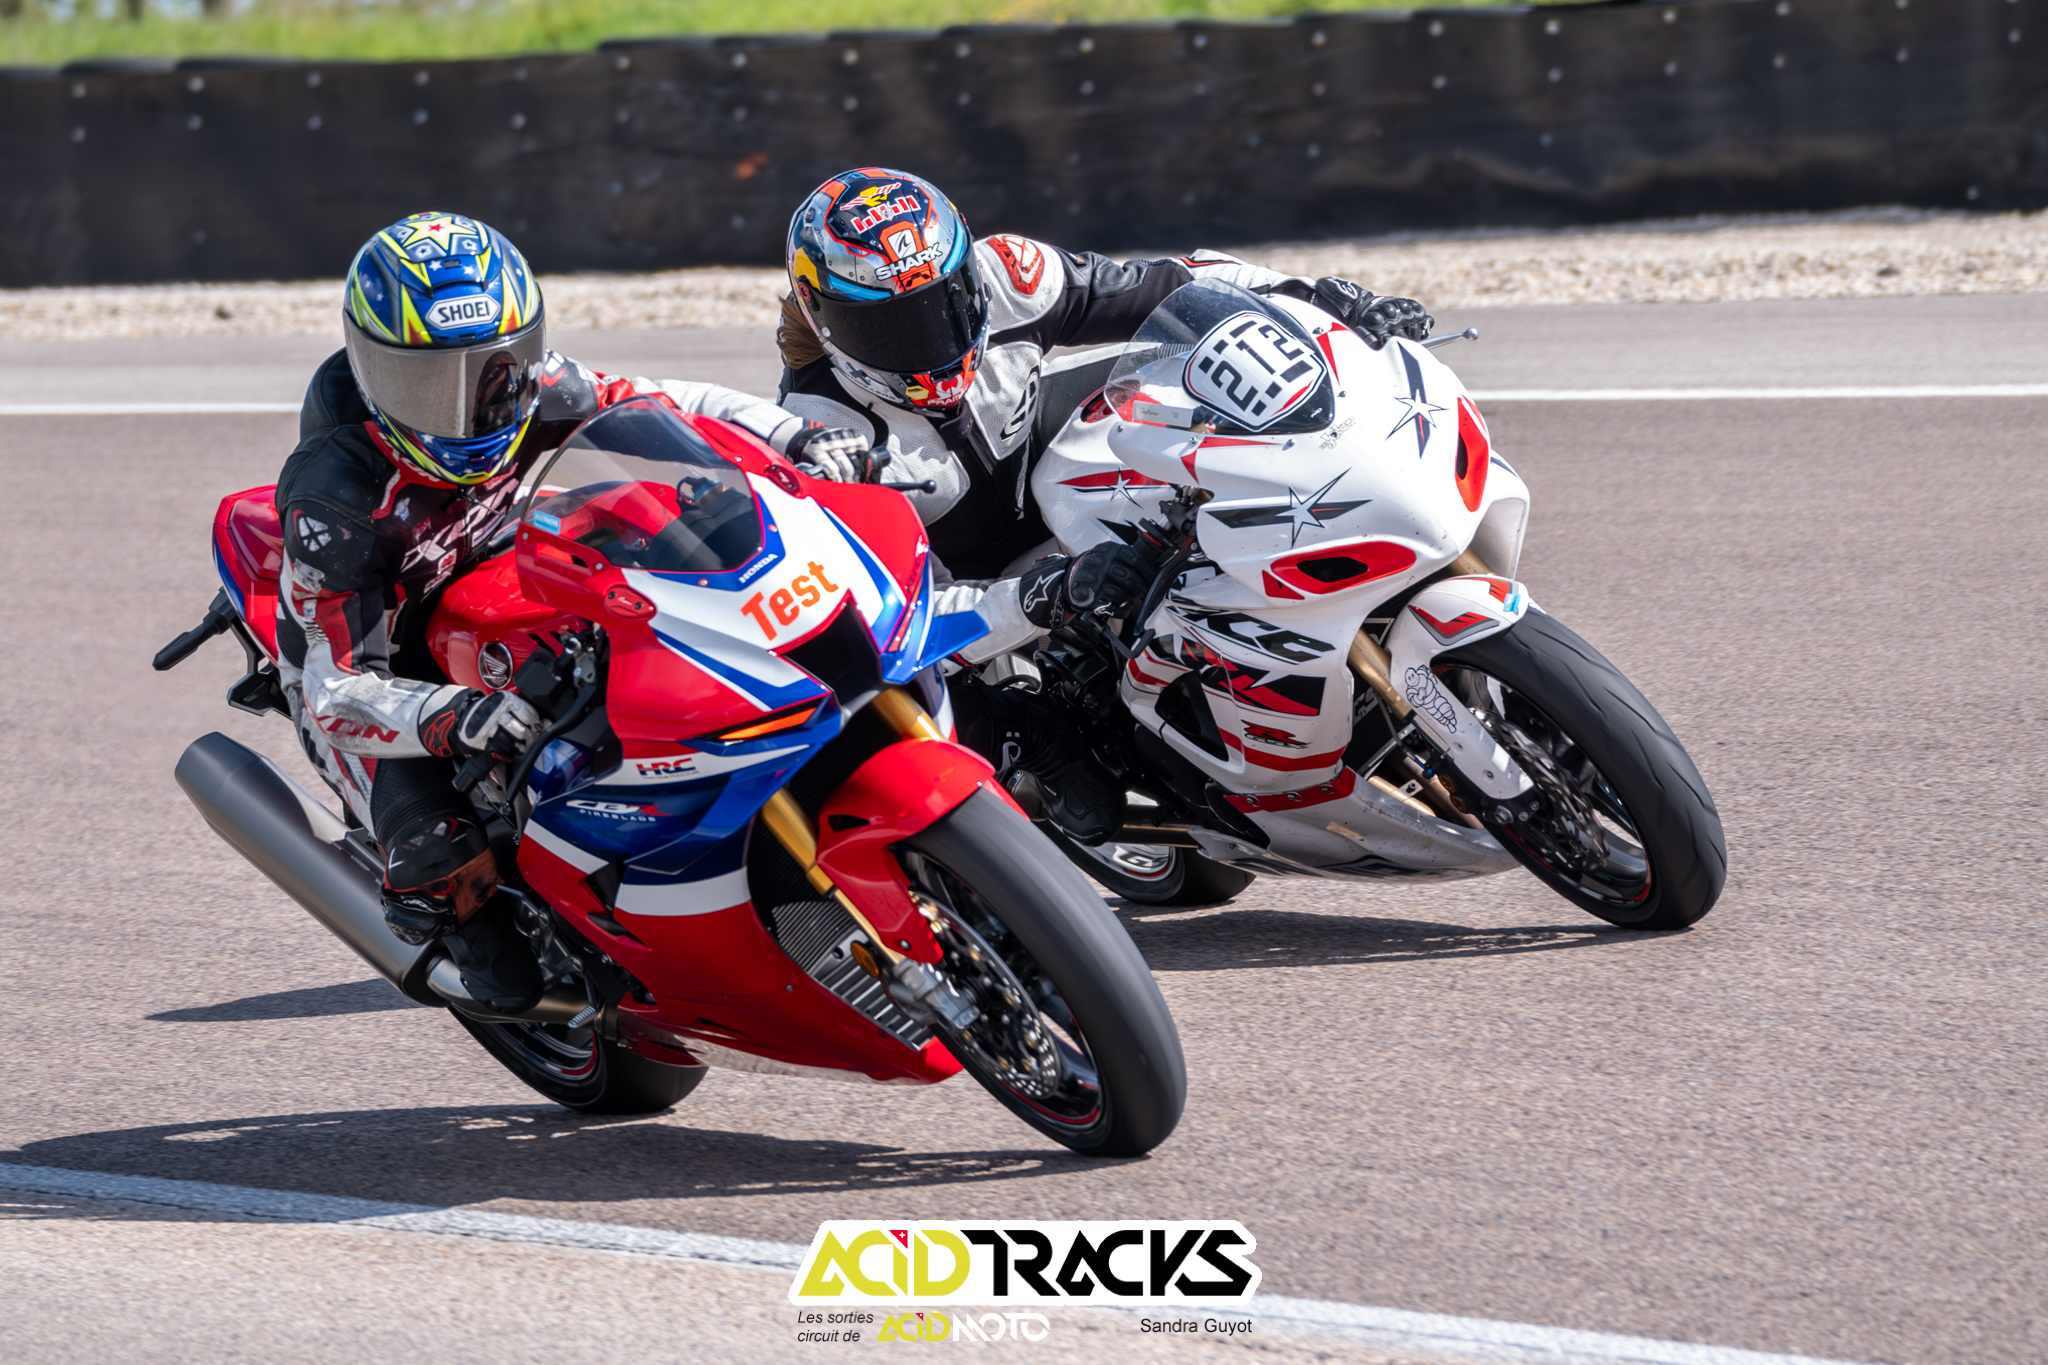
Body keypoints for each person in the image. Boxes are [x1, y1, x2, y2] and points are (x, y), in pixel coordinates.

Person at [278, 211, 860, 1011]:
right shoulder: (333, 500)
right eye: (428, 384)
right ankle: (474, 930)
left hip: (513, 571)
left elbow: (668, 403)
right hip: (388, 660)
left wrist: (793, 435)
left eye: (492, 372)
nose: (467, 409)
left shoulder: (533, 388)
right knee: (463, 904)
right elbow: (334, 687)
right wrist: (451, 715)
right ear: (372, 371)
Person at [775, 167, 1435, 841]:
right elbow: (902, 621)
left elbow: (1176, 284)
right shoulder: (824, 439)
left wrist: (1314, 299)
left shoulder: (1011, 275)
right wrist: (1041, 595)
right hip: (967, 583)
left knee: (1205, 381)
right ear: (822, 319)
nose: (930, 341)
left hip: (1047, 463)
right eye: (891, 329)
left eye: (945, 305)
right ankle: (1031, 733)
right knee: (861, 684)